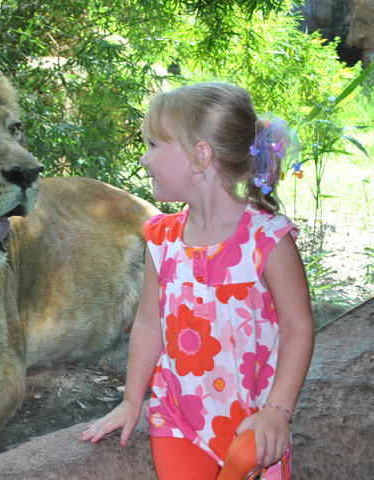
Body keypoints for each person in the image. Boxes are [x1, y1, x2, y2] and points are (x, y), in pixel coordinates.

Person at [81, 83, 314, 480]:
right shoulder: (162, 238)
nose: (143, 158)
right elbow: (149, 323)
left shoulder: (268, 239)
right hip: (178, 420)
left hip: (254, 424)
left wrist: (277, 411)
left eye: (153, 145)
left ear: (199, 156)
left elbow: (298, 327)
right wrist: (132, 401)